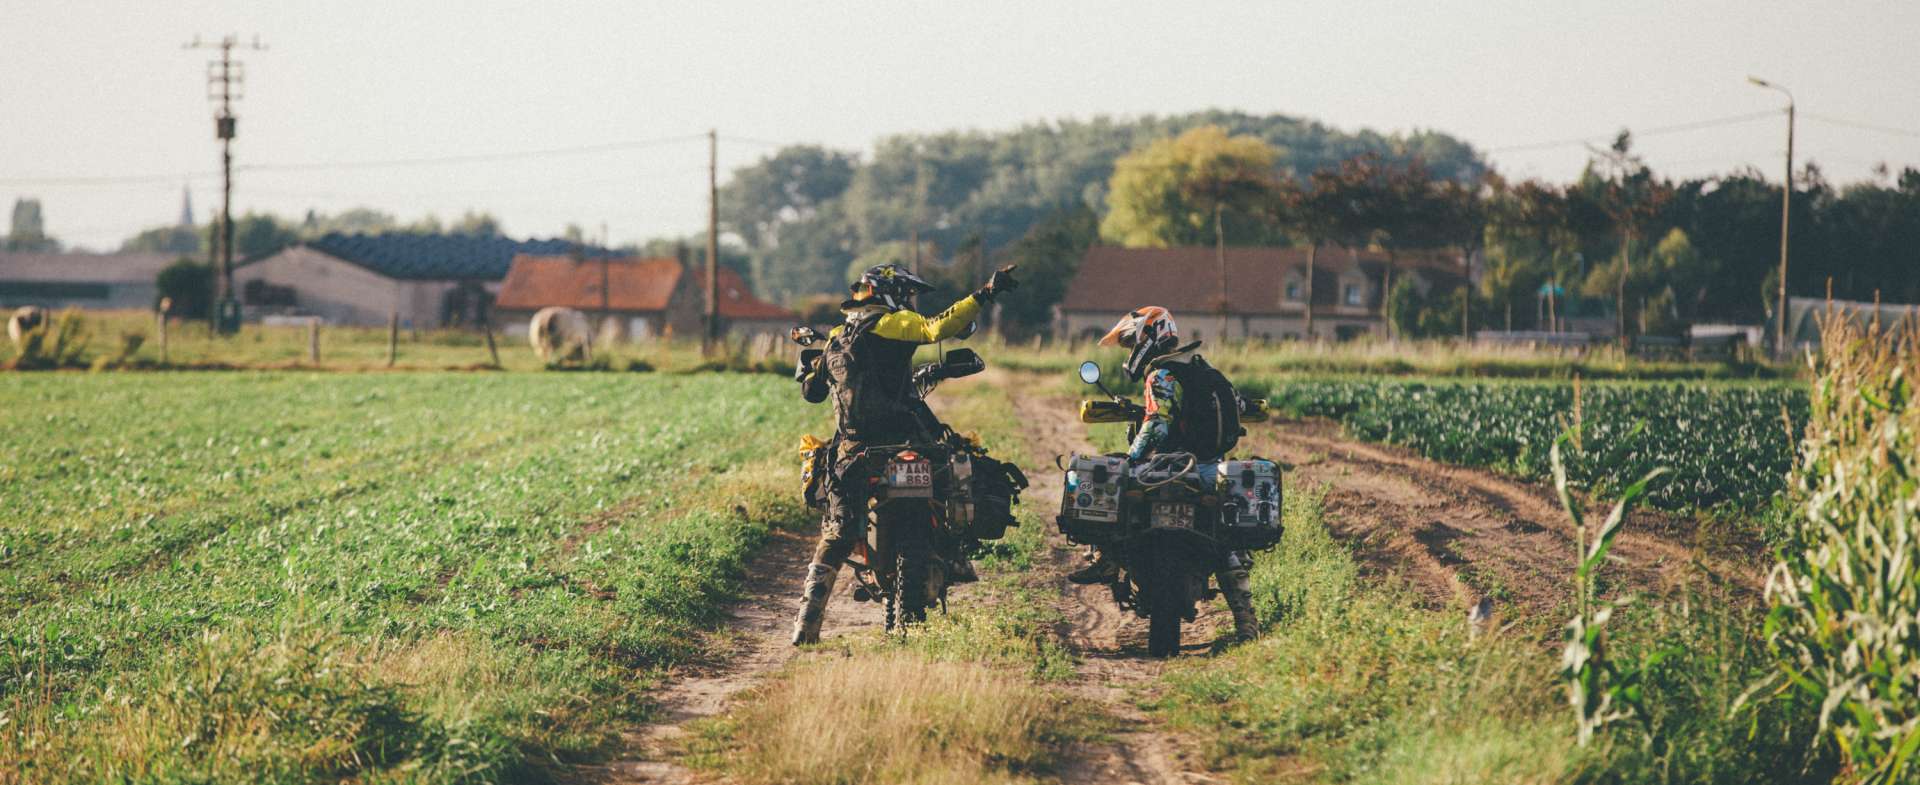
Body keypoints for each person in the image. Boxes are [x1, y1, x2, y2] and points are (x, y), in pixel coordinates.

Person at [790, 262, 1018, 645]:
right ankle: (955, 557)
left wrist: (816, 364)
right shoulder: (893, 323)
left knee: (836, 533)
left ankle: (806, 625)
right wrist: (986, 293)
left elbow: (811, 392)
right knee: (954, 477)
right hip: (905, 441)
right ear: (891, 294)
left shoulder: (838, 336)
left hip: (854, 450)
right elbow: (937, 328)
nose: (910, 302)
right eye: (907, 295)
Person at [1067, 306, 1260, 642]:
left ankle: (1106, 558)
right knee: (1225, 540)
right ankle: (1246, 623)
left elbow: (1158, 423)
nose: (1131, 351)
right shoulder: (1205, 371)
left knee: (1112, 479)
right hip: (1208, 468)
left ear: (1148, 336)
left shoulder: (1161, 375)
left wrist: (1132, 456)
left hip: (1166, 465)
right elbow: (1237, 406)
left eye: (1131, 343)